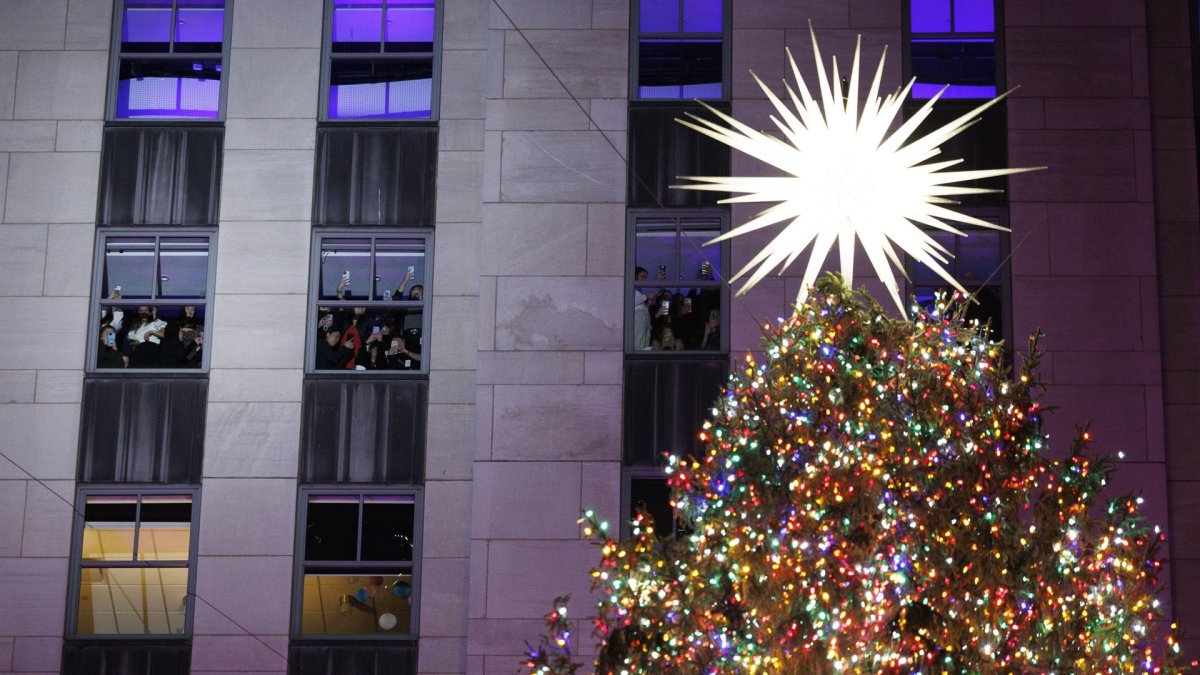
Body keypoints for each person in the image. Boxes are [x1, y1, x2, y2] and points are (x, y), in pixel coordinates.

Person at [633, 267, 651, 350]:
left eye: (645, 278)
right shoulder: (630, 288)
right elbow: (630, 302)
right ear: (635, 276)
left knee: (645, 339)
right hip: (638, 316)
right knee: (639, 339)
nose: (644, 280)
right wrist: (645, 296)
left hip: (644, 316)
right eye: (642, 277)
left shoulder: (639, 290)